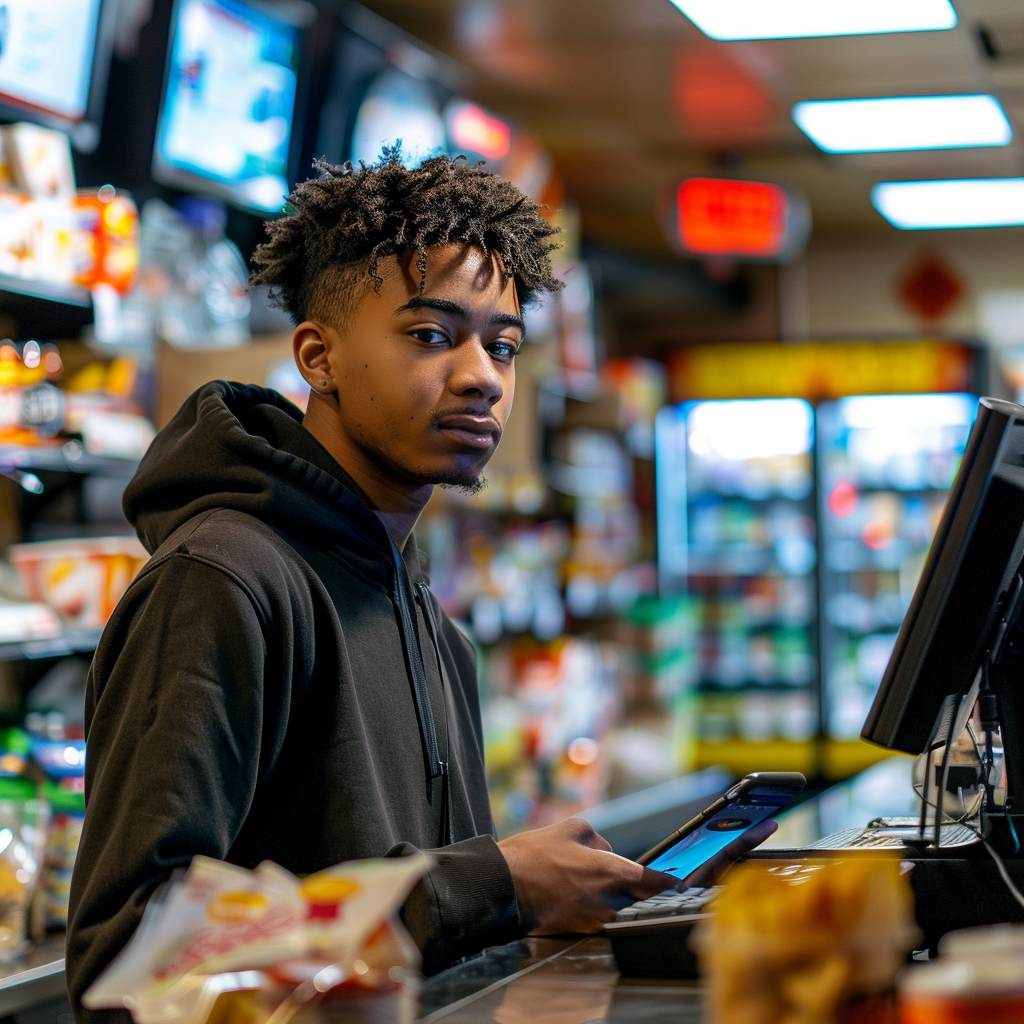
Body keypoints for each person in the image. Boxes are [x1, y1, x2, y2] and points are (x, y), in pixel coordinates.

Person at [67, 152, 772, 1022]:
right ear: (318, 356)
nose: (482, 376)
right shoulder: (221, 582)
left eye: (503, 346)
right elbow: (130, 952)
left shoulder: (430, 623)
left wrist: (537, 911)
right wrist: (492, 883)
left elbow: (421, 936)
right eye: (432, 335)